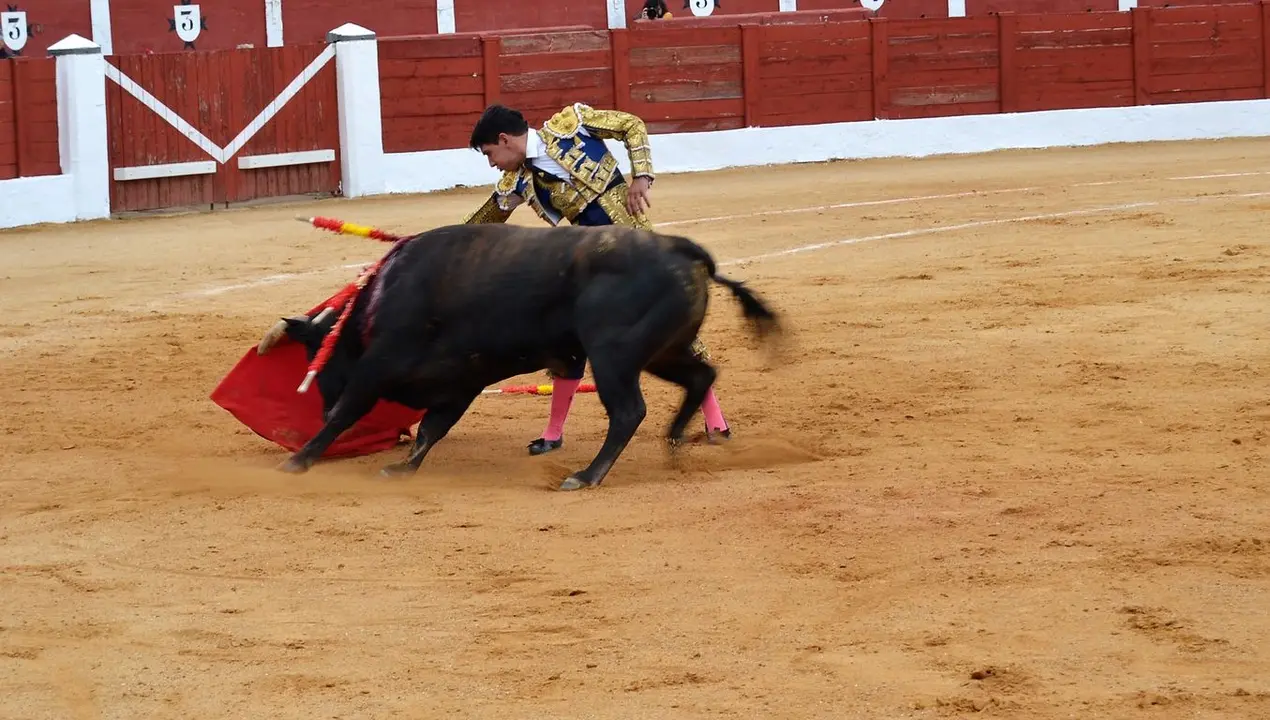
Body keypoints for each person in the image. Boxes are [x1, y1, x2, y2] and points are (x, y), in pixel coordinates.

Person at [462, 102, 730, 456]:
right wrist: (440, 246)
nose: (492, 163)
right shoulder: (518, 181)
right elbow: (485, 219)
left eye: (490, 154)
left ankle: (716, 422)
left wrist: (642, 177)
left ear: (504, 139)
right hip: (593, 268)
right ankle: (553, 433)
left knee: (675, 332)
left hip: (640, 254)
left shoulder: (573, 124)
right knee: (568, 341)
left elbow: (632, 125)